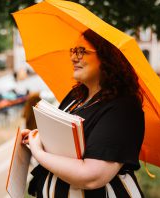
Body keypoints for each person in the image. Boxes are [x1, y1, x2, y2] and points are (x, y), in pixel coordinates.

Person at [22, 29, 145, 197]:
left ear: (107, 57)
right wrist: (36, 137)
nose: (73, 58)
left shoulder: (122, 108)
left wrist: (38, 152)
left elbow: (92, 177)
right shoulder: (76, 96)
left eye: (82, 51)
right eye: (73, 51)